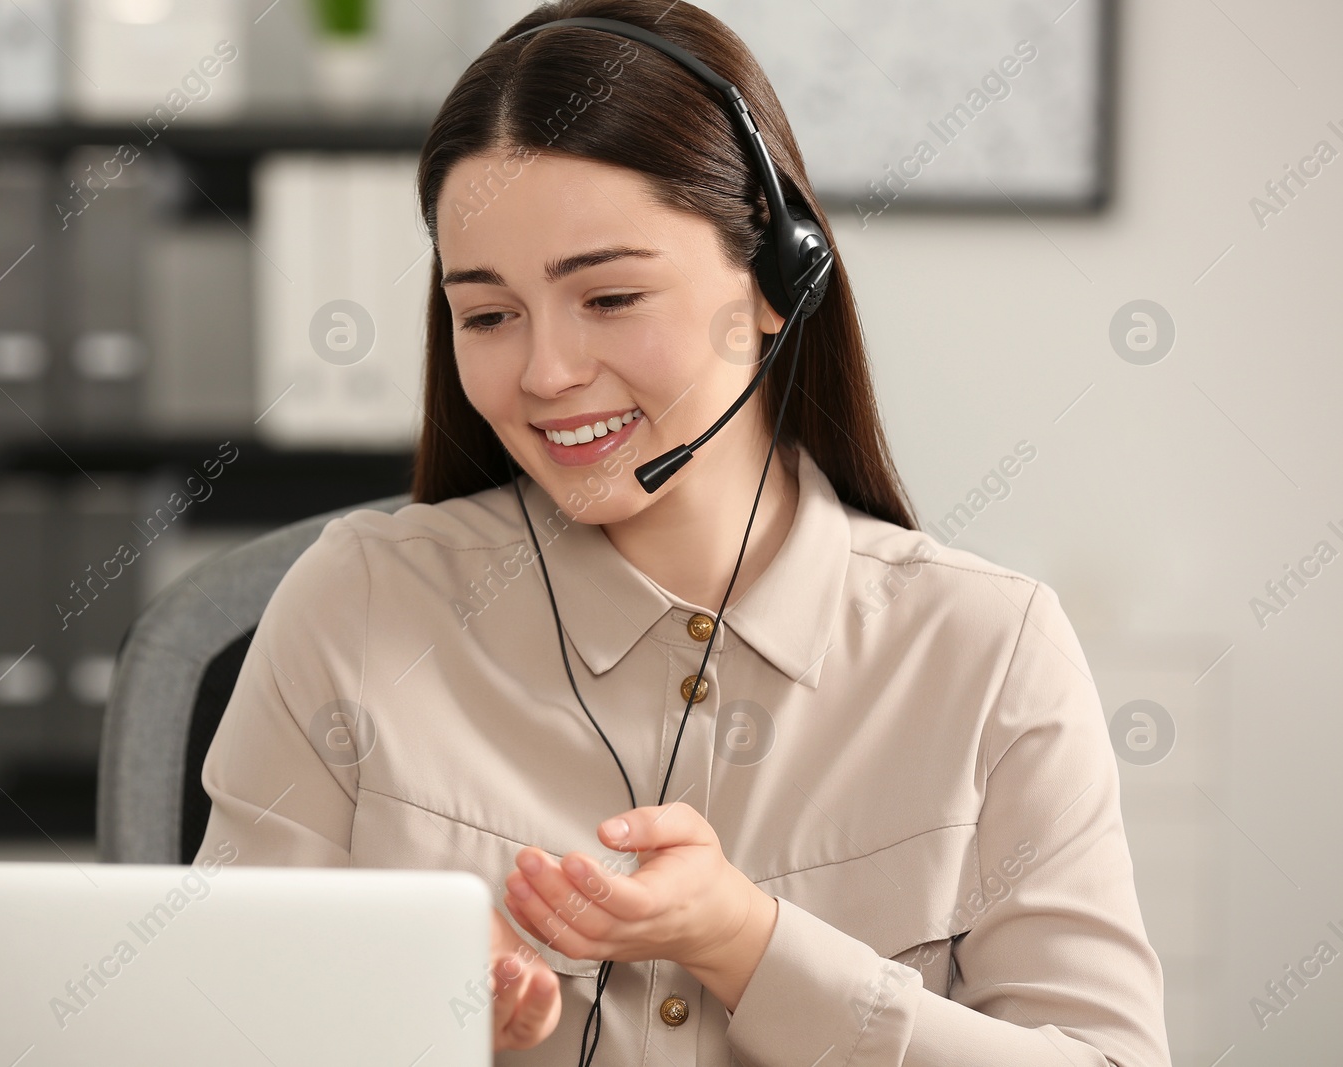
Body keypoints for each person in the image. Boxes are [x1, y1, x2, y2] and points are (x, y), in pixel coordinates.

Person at [193, 1, 1173, 1064]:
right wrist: (393, 1028)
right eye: (487, 313)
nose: (543, 373)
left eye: (609, 296)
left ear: (773, 285)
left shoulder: (989, 653)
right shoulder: (358, 604)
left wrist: (746, 944)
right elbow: (196, 1023)